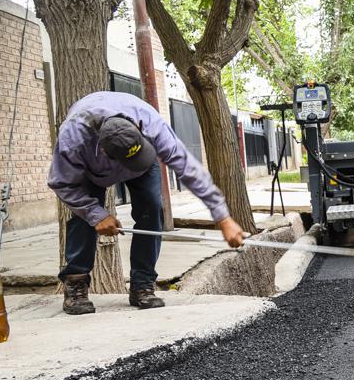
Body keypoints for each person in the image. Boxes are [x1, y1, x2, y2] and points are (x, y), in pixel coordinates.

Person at [47, 91, 246, 315]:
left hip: (143, 162)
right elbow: (61, 183)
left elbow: (189, 169)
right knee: (85, 220)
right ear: (103, 150)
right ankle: (76, 283)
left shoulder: (151, 124)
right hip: (92, 171)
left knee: (152, 208)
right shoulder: (73, 139)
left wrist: (223, 217)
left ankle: (142, 285)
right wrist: (96, 214)